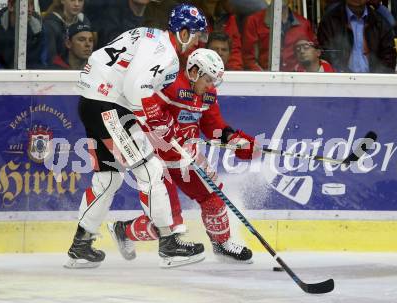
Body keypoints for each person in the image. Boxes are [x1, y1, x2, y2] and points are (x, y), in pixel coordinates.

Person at [65, 3, 209, 269]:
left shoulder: (147, 33)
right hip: (110, 107)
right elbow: (135, 88)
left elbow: (121, 73)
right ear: (184, 32)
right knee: (151, 170)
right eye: (197, 34)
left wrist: (154, 119)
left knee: (108, 178)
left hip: (92, 102)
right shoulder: (166, 53)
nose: (198, 41)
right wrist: (155, 119)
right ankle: (169, 243)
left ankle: (80, 245)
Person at [108, 48, 256, 264]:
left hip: (187, 156)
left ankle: (221, 244)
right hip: (157, 159)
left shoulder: (207, 94)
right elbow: (146, 109)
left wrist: (235, 140)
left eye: (214, 81)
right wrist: (161, 125)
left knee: (214, 198)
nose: (211, 86)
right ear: (194, 71)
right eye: (208, 79)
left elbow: (213, 125)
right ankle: (123, 231)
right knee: (168, 221)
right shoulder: (169, 84)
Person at [317, 0, 397, 73]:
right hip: (340, 82)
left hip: (373, 83)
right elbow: (327, 55)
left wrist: (377, 80)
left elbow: (388, 57)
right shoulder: (329, 21)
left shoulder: (380, 22)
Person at [242, 0, 314, 71]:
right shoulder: (254, 21)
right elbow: (249, 59)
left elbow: (312, 56)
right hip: (264, 79)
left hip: (297, 79)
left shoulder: (304, 24)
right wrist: (265, 78)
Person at [0, 0, 48, 69]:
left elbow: (43, 60)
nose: (29, 9)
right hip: (1, 76)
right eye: (25, 5)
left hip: (30, 76)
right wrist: (8, 77)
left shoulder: (38, 27)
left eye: (31, 5)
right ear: (10, 5)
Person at [192, 0, 243, 70]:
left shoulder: (229, 16)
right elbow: (189, 49)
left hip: (226, 72)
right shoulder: (192, 16)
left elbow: (234, 50)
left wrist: (234, 72)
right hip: (200, 71)